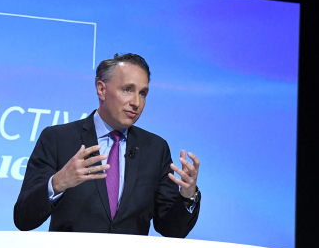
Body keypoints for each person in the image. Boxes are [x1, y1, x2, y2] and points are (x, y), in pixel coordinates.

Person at [13, 53, 201, 237]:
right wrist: (58, 183)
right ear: (101, 90)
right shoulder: (57, 139)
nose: (136, 102)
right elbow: (23, 219)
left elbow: (172, 230)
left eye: (142, 93)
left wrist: (187, 195)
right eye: (128, 89)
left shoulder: (155, 149)